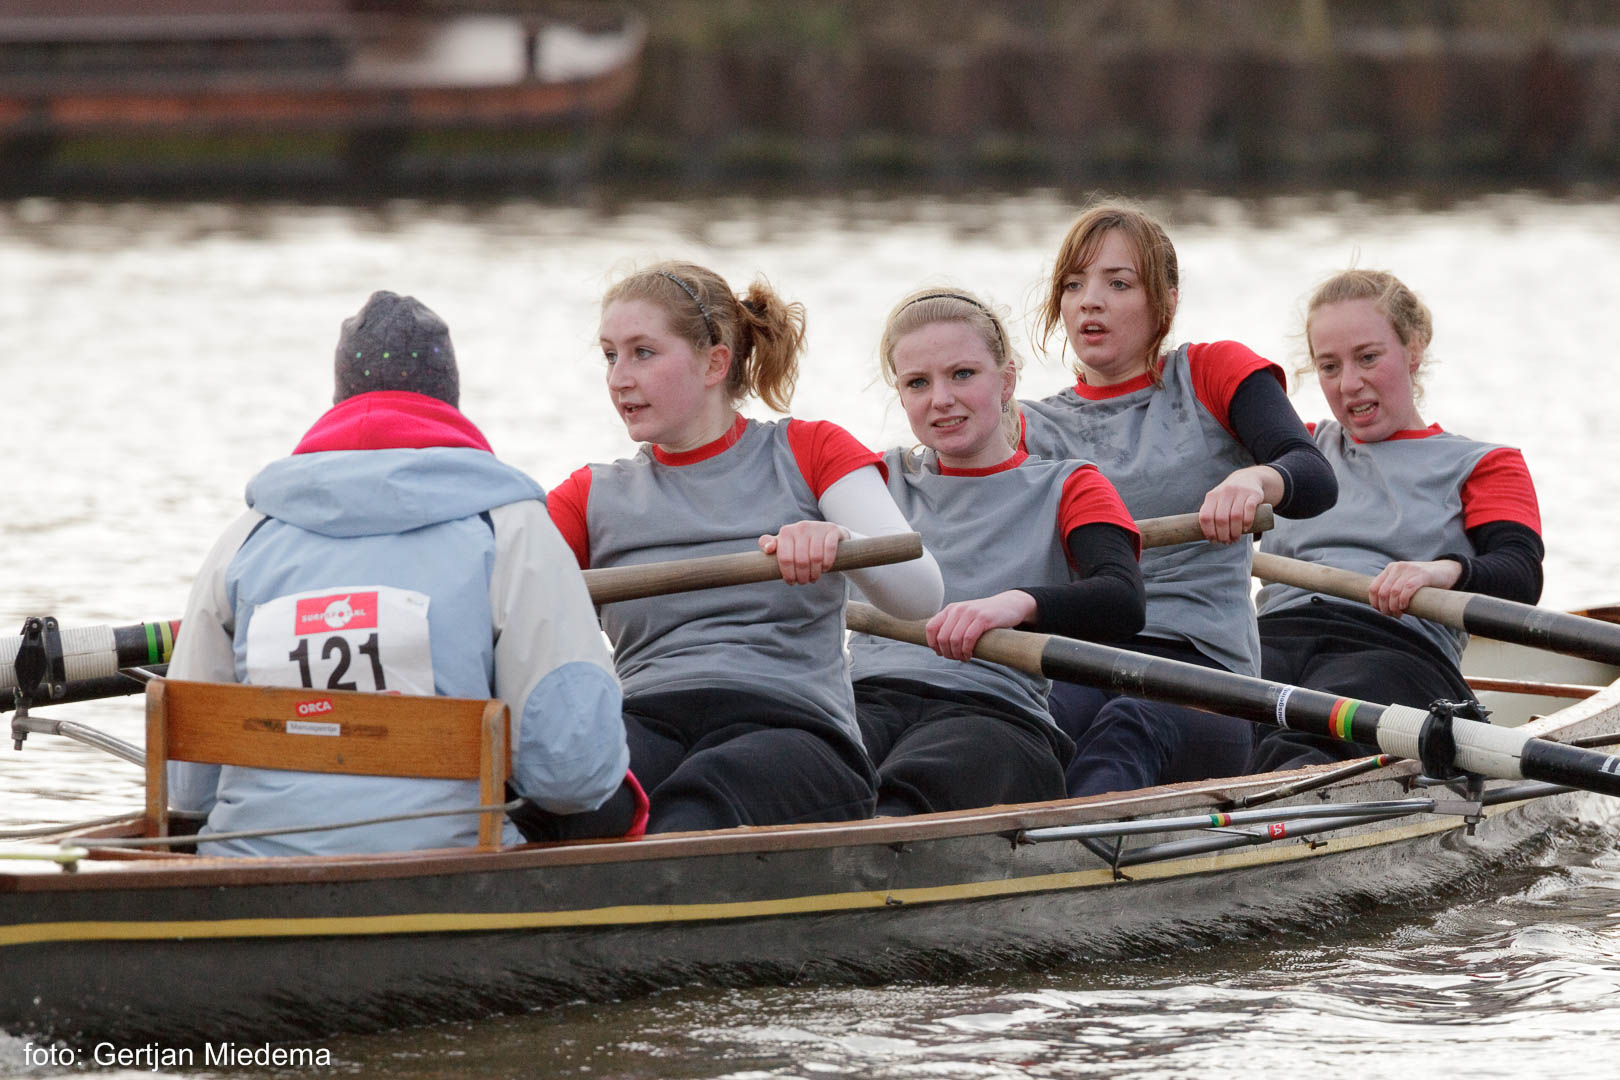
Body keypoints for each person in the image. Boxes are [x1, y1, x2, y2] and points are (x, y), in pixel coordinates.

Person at [166, 290, 637, 856]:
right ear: (448, 398)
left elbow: (186, 785)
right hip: (447, 859)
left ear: (340, 397)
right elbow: (572, 771)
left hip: (248, 858)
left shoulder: (244, 538)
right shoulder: (510, 528)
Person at [546, 260, 944, 833]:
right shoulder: (586, 495)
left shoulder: (811, 450)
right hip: (646, 717)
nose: (618, 379)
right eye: (610, 356)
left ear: (714, 362)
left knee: (691, 812)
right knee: (556, 799)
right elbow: (511, 621)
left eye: (642, 353)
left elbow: (921, 595)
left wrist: (841, 541)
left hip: (795, 728)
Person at [1018, 201, 1338, 797]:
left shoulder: (1211, 372)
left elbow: (1312, 474)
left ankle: (1087, 847)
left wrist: (1255, 480)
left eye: (1118, 283)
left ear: (1165, 301)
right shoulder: (1028, 426)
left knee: (1127, 726)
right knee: (1028, 728)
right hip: (1077, 660)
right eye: (1074, 284)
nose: (1090, 302)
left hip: (1206, 676)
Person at [848, 288, 1146, 815]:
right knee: (804, 770)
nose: (941, 399)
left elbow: (1122, 599)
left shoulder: (1070, 484)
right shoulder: (870, 479)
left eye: (962, 374)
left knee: (908, 792)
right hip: (865, 699)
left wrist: (1014, 604)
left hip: (993, 713)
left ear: (1006, 381)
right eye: (918, 383)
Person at [1250, 269, 1543, 771]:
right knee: (1178, 720)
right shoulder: (1296, 452)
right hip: (1272, 639)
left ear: (1414, 348)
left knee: (1305, 734)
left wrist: (1440, 572)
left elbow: (1520, 575)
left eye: (1368, 357)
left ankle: (1283, 798)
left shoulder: (1484, 464)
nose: (1349, 384)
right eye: (1329, 366)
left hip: (1394, 650)